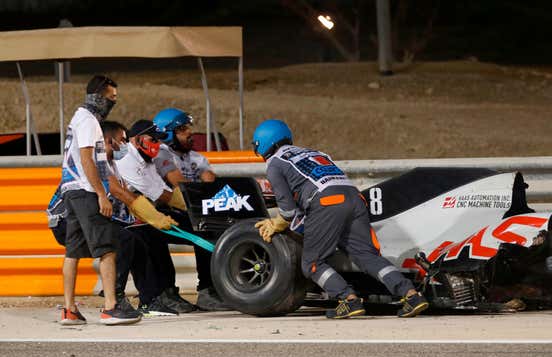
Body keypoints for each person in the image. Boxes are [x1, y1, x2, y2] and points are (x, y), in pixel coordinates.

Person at [252, 119, 430, 319]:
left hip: (327, 202)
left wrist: (275, 224)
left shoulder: (276, 163)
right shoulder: (315, 153)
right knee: (367, 256)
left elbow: (287, 211)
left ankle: (348, 300)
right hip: (354, 198)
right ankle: (412, 295)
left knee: (312, 263)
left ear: (262, 145)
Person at [48, 121, 178, 318]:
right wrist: (155, 217)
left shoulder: (111, 165)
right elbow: (119, 193)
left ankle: (149, 301)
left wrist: (148, 219)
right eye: (122, 140)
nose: (125, 145)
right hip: (66, 221)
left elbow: (123, 200)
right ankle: (114, 299)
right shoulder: (95, 161)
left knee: (139, 240)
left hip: (90, 216)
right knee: (124, 240)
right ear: (108, 141)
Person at [57, 75, 140, 325]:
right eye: (111, 98)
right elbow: (87, 159)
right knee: (108, 249)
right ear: (98, 96)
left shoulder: (78, 117)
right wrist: (102, 194)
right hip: (86, 191)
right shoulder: (89, 121)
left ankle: (69, 310)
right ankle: (110, 308)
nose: (113, 103)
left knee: (73, 251)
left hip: (71, 190)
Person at [114, 119, 207, 313]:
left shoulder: (147, 159)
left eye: (159, 139)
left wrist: (198, 209)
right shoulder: (126, 159)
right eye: (153, 139)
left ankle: (206, 290)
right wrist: (194, 205)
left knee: (203, 225)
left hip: (144, 211)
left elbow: (166, 193)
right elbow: (162, 195)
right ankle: (162, 295)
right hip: (127, 218)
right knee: (152, 236)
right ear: (137, 140)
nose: (157, 144)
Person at [151, 108, 226, 311]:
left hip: (187, 211)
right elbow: (178, 184)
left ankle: (214, 289)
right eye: (182, 129)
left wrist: (206, 184)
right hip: (160, 213)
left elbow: (209, 179)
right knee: (203, 229)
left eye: (188, 128)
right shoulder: (161, 153)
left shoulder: (195, 156)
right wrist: (202, 188)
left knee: (210, 227)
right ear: (168, 134)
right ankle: (205, 291)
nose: (189, 132)